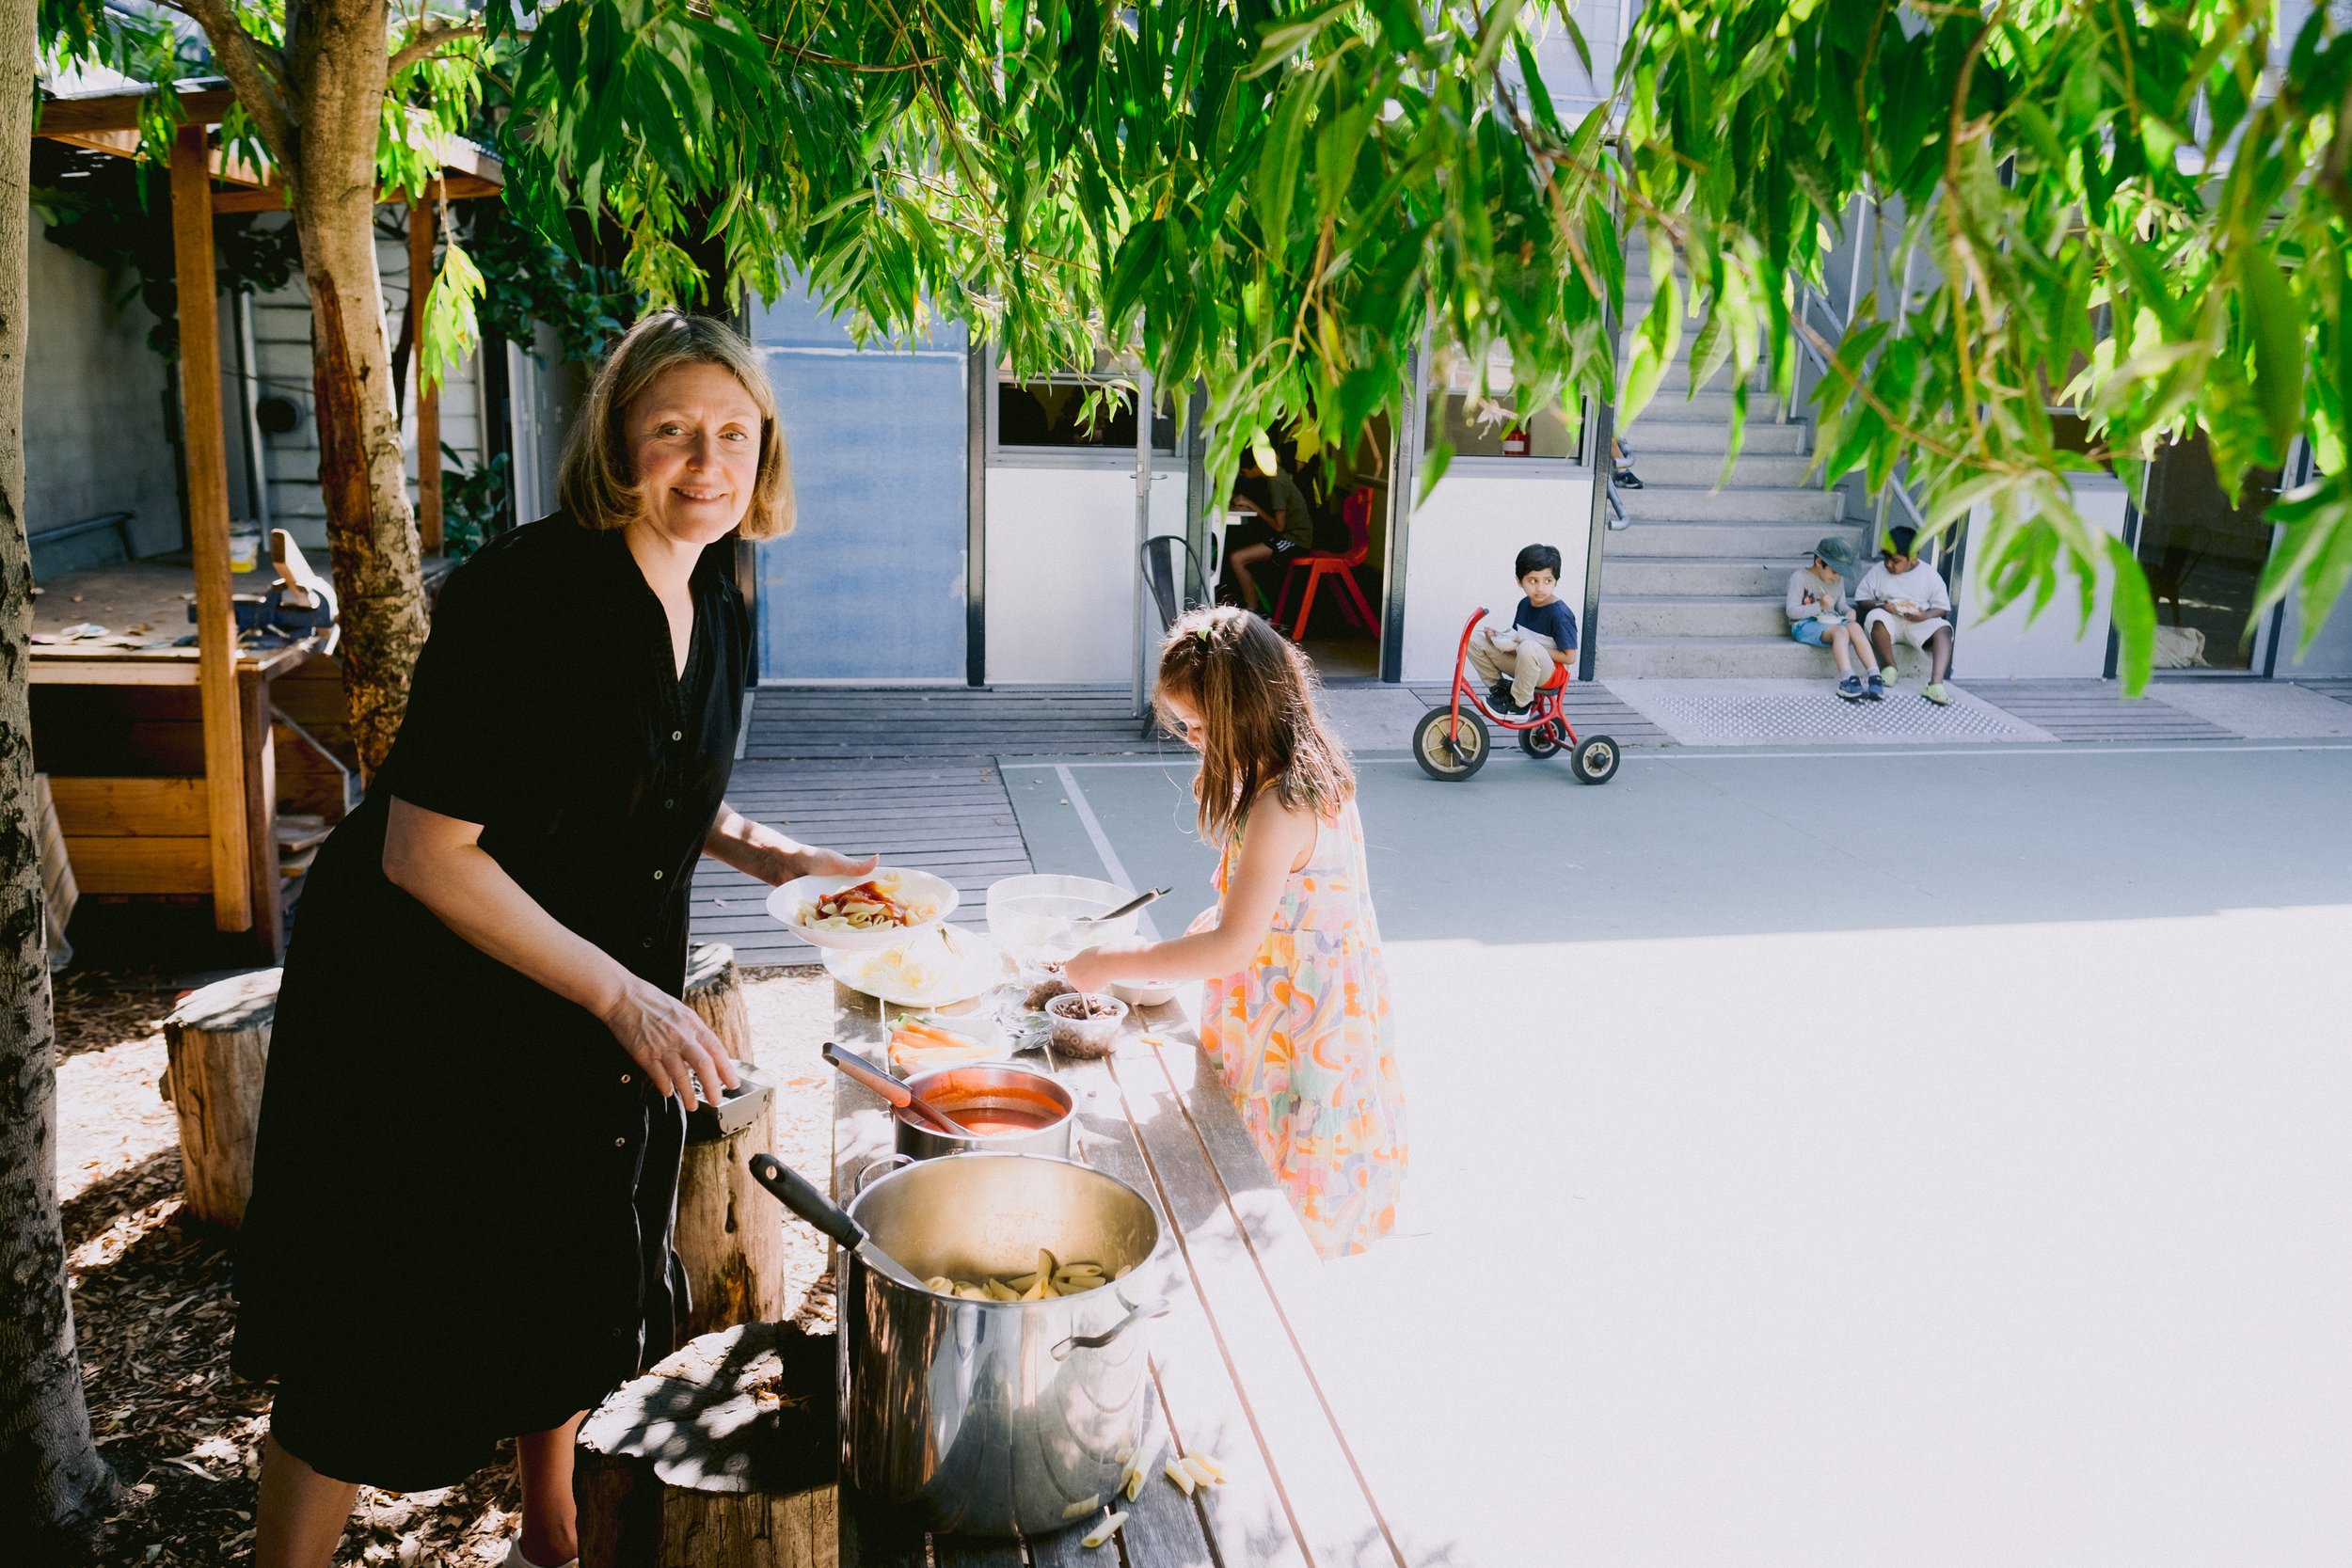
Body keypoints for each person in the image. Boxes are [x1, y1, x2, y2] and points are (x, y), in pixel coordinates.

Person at [235, 313, 878, 1568]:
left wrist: (773, 855)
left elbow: (650, 780)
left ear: (767, 449)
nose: (706, 460)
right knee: (379, 1334)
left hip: (583, 995)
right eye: (672, 432)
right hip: (428, 1000)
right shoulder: (531, 596)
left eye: (733, 433)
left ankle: (551, 1531)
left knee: (576, 1269)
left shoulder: (721, 583)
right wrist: (627, 999)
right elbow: (428, 849)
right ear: (616, 442)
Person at [1061, 609, 1406, 1259]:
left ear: (1245, 709)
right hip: (1295, 1007)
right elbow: (1278, 916)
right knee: (1259, 1176)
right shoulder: (1300, 771)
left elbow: (1232, 947)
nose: (1190, 738)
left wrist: (1111, 959)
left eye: (1197, 725)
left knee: (1276, 1194)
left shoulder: (1282, 804)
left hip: (1302, 1034)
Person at [1466, 543, 1578, 714]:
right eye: (1533, 581)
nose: (1540, 588)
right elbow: (1517, 641)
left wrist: (1527, 645)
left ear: (1556, 581)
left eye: (1548, 581)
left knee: (1529, 646)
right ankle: (1501, 689)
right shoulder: (1525, 604)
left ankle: (1520, 704)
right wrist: (1497, 637)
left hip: (1552, 674)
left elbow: (1569, 657)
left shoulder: (1560, 614)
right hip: (1526, 662)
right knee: (1474, 640)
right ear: (1519, 581)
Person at [1853, 525, 1956, 705]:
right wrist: (1882, 605)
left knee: (1945, 629)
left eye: (1895, 560)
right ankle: (1889, 667)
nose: (1888, 564)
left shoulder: (1929, 575)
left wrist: (1925, 616)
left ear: (1913, 558)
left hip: (1918, 622)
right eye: (1886, 558)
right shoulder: (1879, 571)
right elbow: (1861, 600)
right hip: (1889, 620)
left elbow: (1942, 607)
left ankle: (1935, 684)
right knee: (1876, 617)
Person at [1222, 451, 1319, 612]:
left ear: (1255, 468)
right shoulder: (1275, 473)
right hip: (1288, 535)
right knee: (1241, 548)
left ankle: (1253, 611)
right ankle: (1254, 605)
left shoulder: (1275, 483)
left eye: (1244, 472)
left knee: (1237, 559)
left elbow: (1279, 526)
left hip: (1295, 539)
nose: (1242, 475)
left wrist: (1251, 505)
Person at [1785, 536, 1880, 701]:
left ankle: (1874, 675)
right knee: (1841, 632)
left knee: (1855, 627)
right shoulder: (1799, 577)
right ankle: (1847, 679)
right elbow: (1791, 612)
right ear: (1819, 563)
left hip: (1830, 620)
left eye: (1840, 573)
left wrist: (1849, 611)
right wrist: (1819, 606)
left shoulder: (1837, 579)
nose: (1836, 577)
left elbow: (1840, 605)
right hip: (1804, 624)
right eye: (1834, 571)